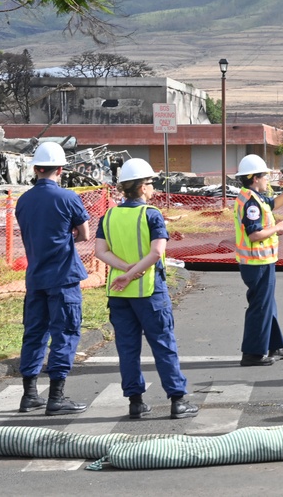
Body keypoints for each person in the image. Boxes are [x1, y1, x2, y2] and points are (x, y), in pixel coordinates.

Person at [94, 158, 198, 419]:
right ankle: (177, 400)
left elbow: (100, 251)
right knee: (163, 344)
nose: (153, 188)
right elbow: (156, 254)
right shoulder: (151, 215)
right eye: (151, 183)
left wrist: (124, 270)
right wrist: (132, 274)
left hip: (118, 293)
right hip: (149, 291)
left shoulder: (109, 215)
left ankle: (135, 403)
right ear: (141, 187)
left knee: (127, 349)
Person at [15, 141, 90, 415]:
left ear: (36, 169)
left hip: (35, 278)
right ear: (61, 169)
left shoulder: (24, 200)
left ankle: (29, 395)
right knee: (65, 332)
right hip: (63, 276)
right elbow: (84, 234)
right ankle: (56, 397)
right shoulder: (68, 198)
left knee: (34, 334)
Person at [233, 154, 283, 366]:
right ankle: (252, 353)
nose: (267, 180)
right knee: (261, 307)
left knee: (267, 305)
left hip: (260, 262)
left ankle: (275, 345)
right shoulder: (250, 202)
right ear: (255, 178)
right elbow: (254, 234)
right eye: (265, 176)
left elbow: (274, 204)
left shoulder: (253, 197)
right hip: (257, 262)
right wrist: (279, 227)